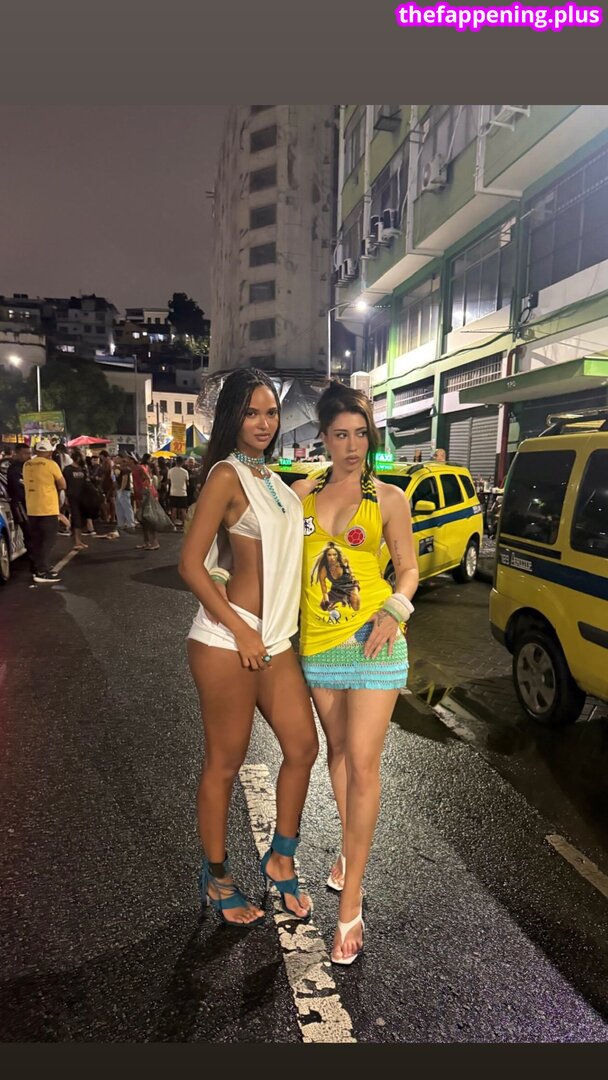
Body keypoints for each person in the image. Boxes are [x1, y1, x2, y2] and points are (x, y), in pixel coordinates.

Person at [179, 368, 318, 927]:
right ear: (233, 417)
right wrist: (240, 631)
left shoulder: (276, 483)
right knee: (224, 763)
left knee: (303, 747)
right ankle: (217, 878)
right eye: (252, 412)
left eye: (271, 412)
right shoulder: (226, 475)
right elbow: (190, 565)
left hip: (275, 641)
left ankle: (280, 859)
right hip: (226, 640)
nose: (264, 423)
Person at [292, 381, 419, 966]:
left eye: (360, 434)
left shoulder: (388, 497)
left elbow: (408, 568)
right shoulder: (299, 494)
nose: (351, 446)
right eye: (340, 435)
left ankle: (353, 898)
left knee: (364, 763)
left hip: (374, 642)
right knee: (338, 752)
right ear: (322, 437)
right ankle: (347, 851)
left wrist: (395, 609)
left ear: (370, 437)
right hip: (319, 645)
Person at [22, 438, 67, 584]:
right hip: (48, 508)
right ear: (49, 452)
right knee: (48, 540)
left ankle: (38, 568)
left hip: (32, 508)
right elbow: (63, 484)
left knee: (37, 540)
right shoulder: (51, 464)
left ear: (36, 451)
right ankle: (42, 571)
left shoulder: (26, 465)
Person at [6, 443, 33, 564]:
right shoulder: (14, 469)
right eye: (25, 453)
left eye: (29, 453)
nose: (28, 456)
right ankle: (35, 562)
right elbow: (19, 489)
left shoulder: (27, 467)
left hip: (28, 504)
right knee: (29, 532)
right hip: (20, 504)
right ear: (16, 454)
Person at [63, 450, 89, 551]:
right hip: (72, 496)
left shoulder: (82, 469)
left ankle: (79, 540)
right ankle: (77, 541)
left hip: (82, 497)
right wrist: (65, 497)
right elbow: (64, 484)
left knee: (81, 519)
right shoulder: (68, 469)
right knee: (76, 518)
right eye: (81, 457)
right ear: (77, 458)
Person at [132, 453, 159, 550]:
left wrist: (146, 490)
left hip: (146, 495)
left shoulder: (141, 468)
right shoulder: (142, 467)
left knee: (149, 519)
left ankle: (154, 542)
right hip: (142, 495)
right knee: (144, 520)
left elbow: (148, 479)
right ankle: (147, 542)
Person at [115, 455, 136, 531]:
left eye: (117, 458)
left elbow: (125, 480)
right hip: (119, 489)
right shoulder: (119, 469)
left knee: (126, 507)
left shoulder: (125, 469)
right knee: (119, 507)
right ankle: (121, 523)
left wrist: (121, 489)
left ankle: (130, 524)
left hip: (124, 490)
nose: (115, 459)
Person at [167, 455, 190, 527]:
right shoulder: (185, 472)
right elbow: (187, 483)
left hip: (173, 492)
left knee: (174, 509)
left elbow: (169, 481)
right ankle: (185, 525)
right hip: (183, 493)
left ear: (176, 462)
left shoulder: (170, 471)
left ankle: (173, 525)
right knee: (183, 510)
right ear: (182, 462)